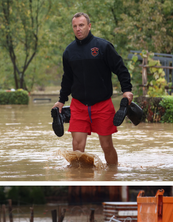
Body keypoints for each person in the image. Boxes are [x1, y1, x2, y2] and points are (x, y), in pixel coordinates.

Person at [52, 12, 133, 165]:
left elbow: (121, 69)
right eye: (75, 26)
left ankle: (112, 175)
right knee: (77, 147)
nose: (78, 29)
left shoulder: (103, 46)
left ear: (89, 26)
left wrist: (127, 90)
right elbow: (67, 78)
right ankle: (79, 178)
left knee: (107, 145)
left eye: (81, 25)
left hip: (102, 105)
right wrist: (61, 101)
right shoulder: (69, 52)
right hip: (79, 105)